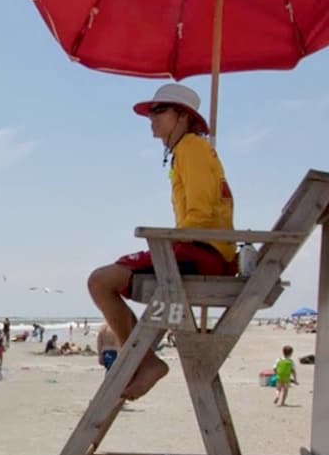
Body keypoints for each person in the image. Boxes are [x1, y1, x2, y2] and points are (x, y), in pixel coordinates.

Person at [87, 83, 235, 402]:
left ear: (182, 115)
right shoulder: (187, 150)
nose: (151, 119)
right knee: (104, 280)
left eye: (159, 111)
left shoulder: (191, 148)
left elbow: (200, 212)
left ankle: (146, 361)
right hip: (204, 249)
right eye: (151, 112)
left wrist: (168, 243)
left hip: (204, 252)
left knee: (100, 281)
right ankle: (145, 359)